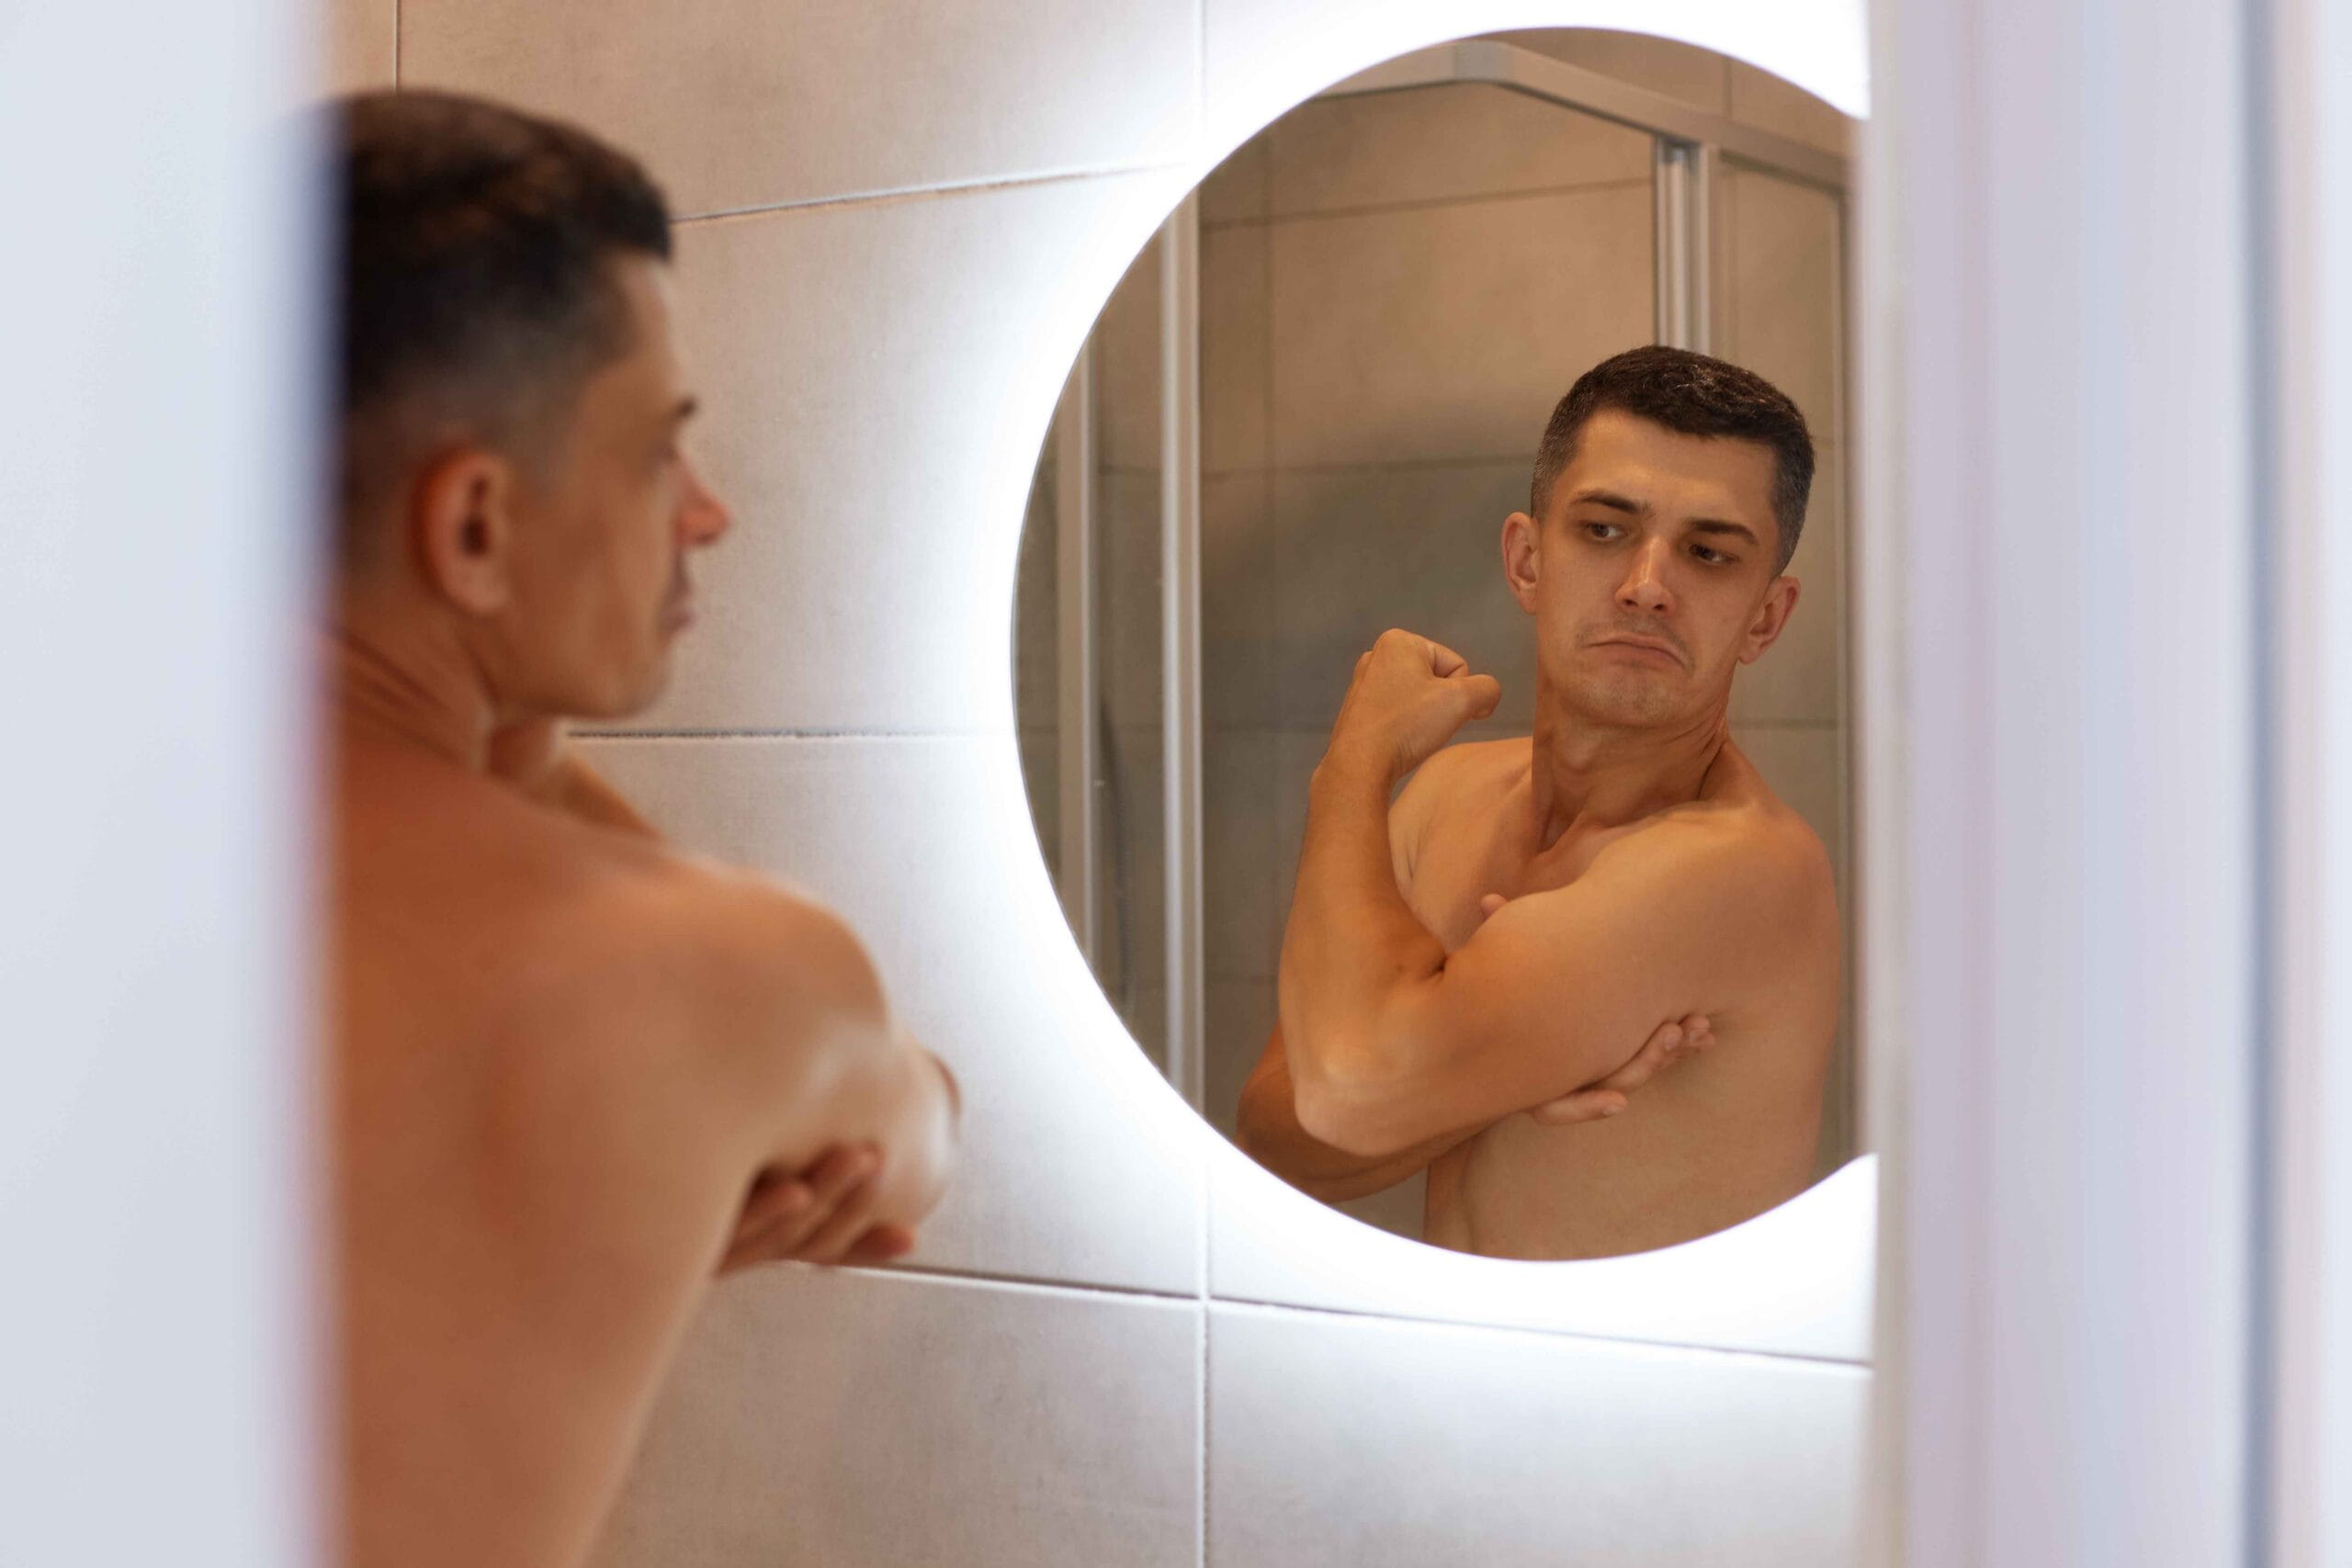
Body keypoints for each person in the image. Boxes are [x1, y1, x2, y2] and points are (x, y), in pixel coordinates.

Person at [325, 92, 959, 1568]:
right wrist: (527, 766)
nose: (710, 512)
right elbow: (913, 1138)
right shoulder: (700, 968)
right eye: (660, 450)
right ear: (473, 525)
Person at [1237, 345, 1838, 1261]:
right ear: (1525, 560)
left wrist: (1352, 766)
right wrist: (1505, 1076)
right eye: (1604, 529)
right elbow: (1286, 1142)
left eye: (1709, 553)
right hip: (1473, 1390)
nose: (1646, 585)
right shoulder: (1447, 796)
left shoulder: (1739, 868)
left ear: (1764, 616)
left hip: (1653, 1404)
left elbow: (1349, 1093)